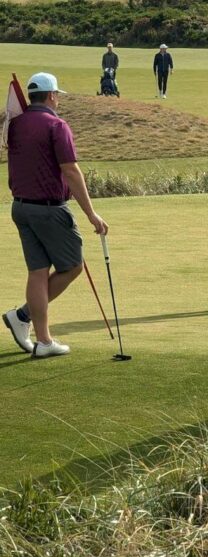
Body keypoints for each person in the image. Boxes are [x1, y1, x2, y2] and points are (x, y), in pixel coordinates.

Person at [2, 72, 108, 358]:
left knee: (38, 270)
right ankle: (24, 317)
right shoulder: (57, 125)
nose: (58, 99)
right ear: (50, 95)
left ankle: (42, 338)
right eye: (57, 94)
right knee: (72, 265)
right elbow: (71, 171)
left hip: (20, 207)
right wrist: (91, 214)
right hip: (49, 209)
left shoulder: (14, 124)